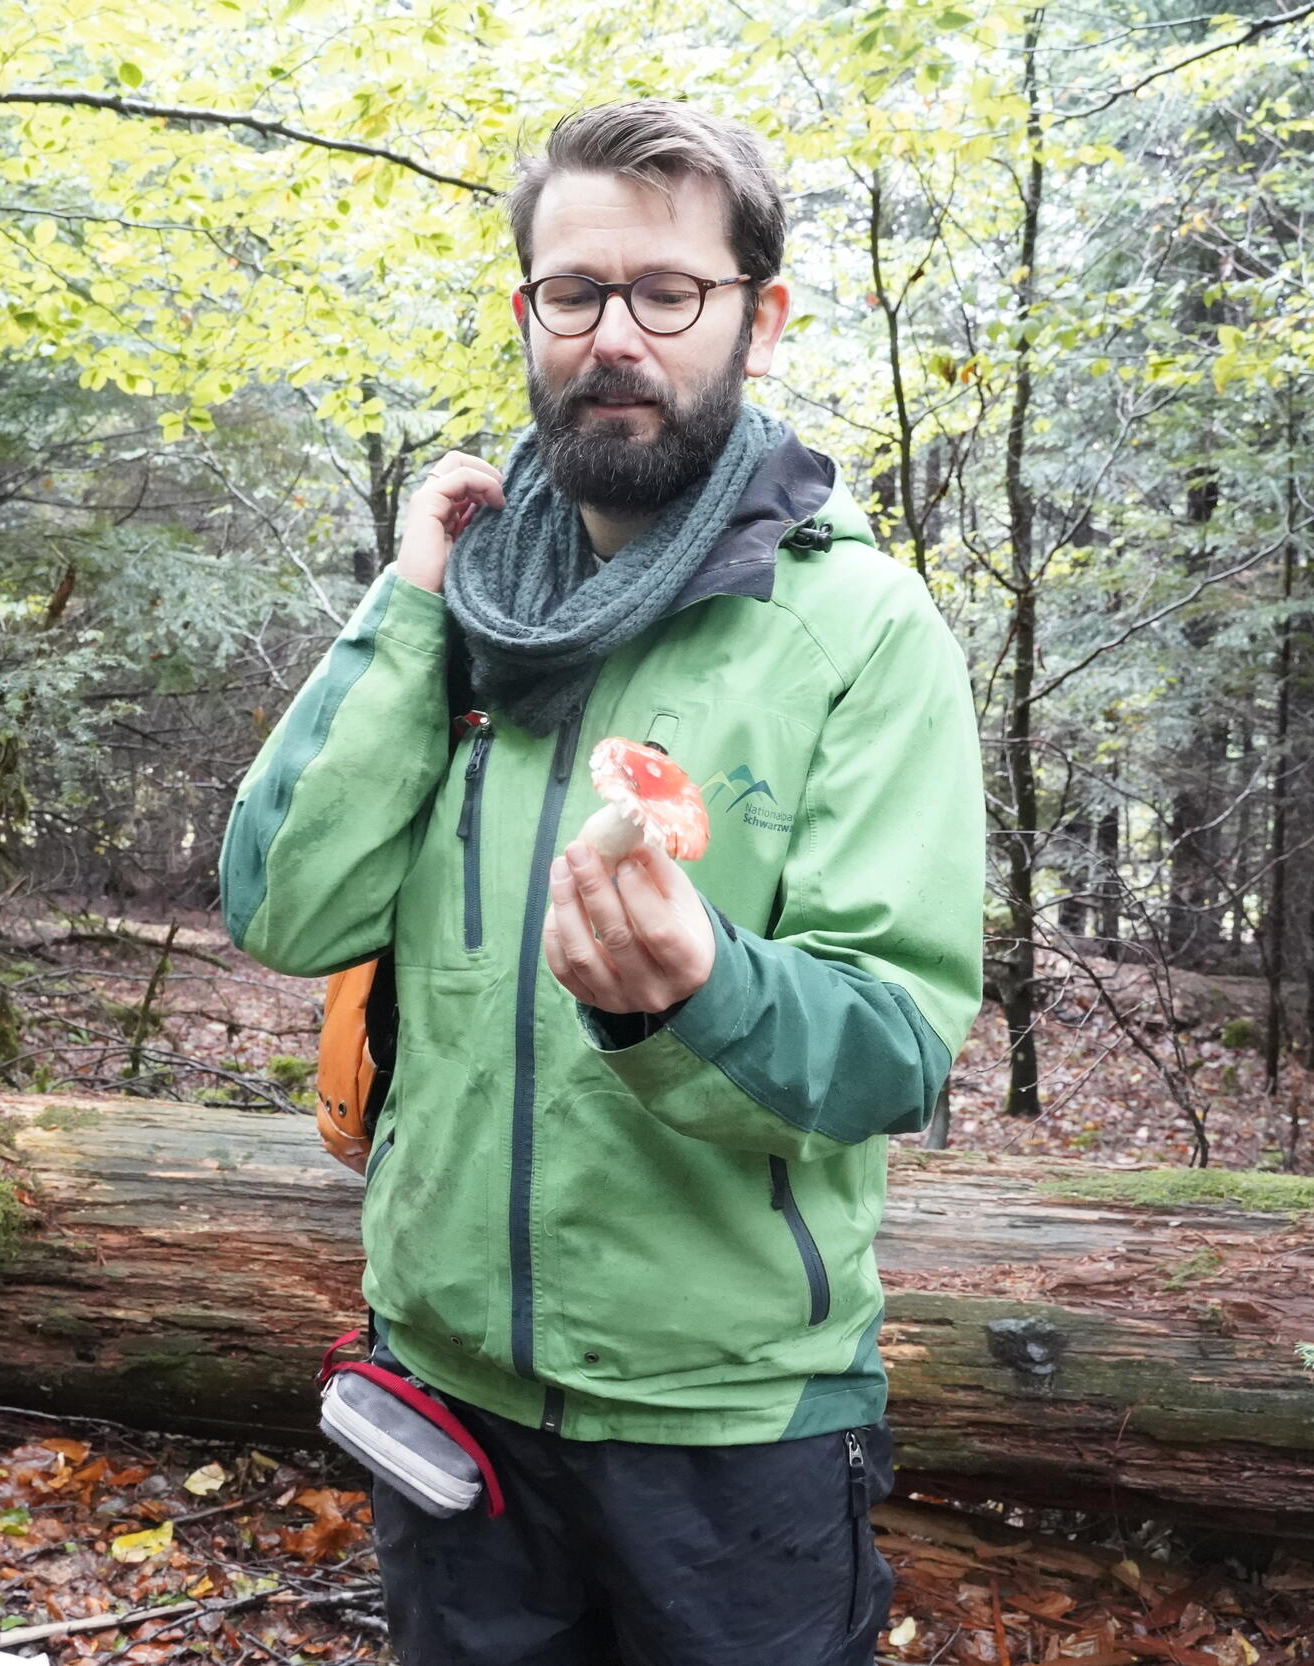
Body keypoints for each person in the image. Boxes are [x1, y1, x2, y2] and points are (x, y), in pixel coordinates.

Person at [220, 100, 984, 1666]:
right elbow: (284, 906)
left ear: (758, 319)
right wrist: (408, 603)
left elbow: (896, 1040)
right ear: (528, 316)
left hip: (731, 1420)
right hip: (449, 1397)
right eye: (575, 294)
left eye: (668, 292)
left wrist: (700, 996)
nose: (615, 335)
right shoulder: (469, 595)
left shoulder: (856, 628)